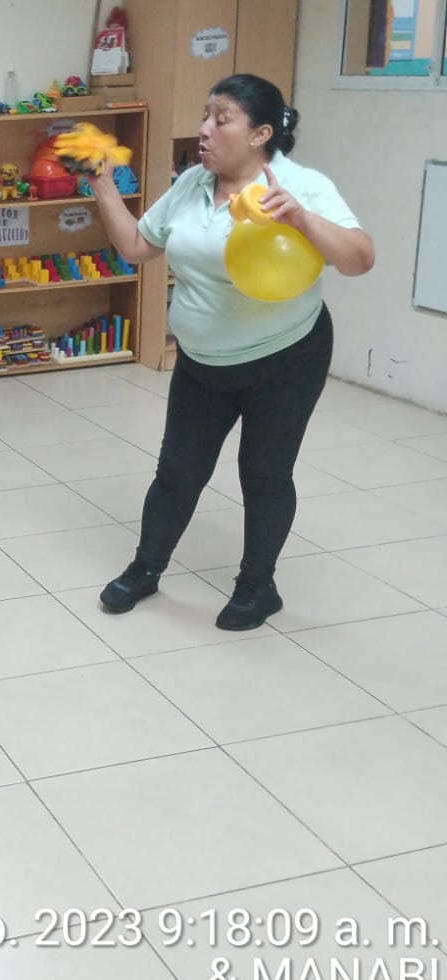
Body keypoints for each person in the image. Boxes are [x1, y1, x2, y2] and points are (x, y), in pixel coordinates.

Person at [87, 73, 374, 630]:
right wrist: (102, 186)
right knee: (178, 471)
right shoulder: (193, 184)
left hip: (285, 358)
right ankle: (146, 569)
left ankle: (257, 586)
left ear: (260, 134)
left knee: (263, 474)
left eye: (221, 120)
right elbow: (137, 246)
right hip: (203, 362)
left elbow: (359, 259)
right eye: (205, 116)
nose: (204, 130)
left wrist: (301, 218)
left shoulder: (300, 185)